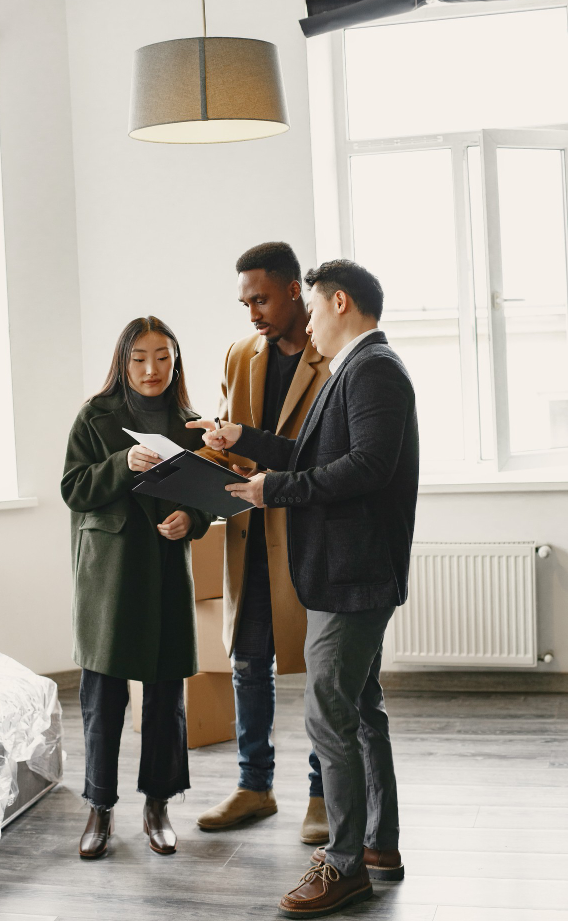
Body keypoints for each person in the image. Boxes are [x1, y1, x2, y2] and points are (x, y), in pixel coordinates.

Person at [190, 260, 419, 917]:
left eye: (313, 309)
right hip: (347, 573)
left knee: (328, 714)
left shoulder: (372, 367)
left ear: (338, 302)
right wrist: (244, 440)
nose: (308, 323)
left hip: (353, 577)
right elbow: (316, 453)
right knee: (360, 710)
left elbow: (367, 468)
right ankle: (377, 845)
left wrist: (274, 491)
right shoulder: (356, 367)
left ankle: (343, 864)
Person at [194, 242, 332, 844]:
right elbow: (232, 444)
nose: (253, 312)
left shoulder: (334, 357)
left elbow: (324, 456)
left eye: (262, 298)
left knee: (323, 672)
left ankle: (324, 793)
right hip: (249, 535)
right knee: (250, 663)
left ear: (295, 289)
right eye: (245, 300)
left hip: (310, 537)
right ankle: (255, 787)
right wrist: (191, 462)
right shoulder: (240, 353)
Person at [61, 316, 214, 860]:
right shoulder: (95, 417)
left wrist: (190, 522)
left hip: (167, 573)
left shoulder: (194, 424)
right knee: (102, 697)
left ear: (177, 362)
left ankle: (158, 805)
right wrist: (122, 463)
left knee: (167, 696)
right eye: (140, 358)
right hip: (109, 575)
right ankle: (99, 808)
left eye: (163, 358)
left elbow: (206, 499)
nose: (152, 370)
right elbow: (74, 489)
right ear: (123, 361)